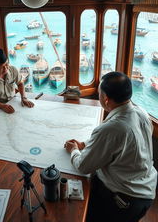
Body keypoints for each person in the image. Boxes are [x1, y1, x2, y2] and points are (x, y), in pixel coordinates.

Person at [64, 71, 157, 222]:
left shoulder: (113, 128)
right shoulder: (141, 113)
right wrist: (84, 144)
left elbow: (83, 166)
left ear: (106, 99)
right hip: (146, 190)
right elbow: (115, 141)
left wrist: (74, 149)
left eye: (99, 92)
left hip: (123, 200)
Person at [0, 48, 34, 113]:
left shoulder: (13, 69)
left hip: (13, 101)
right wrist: (1, 105)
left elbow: (20, 83)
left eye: (7, 64)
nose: (6, 68)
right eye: (2, 66)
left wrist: (23, 97)